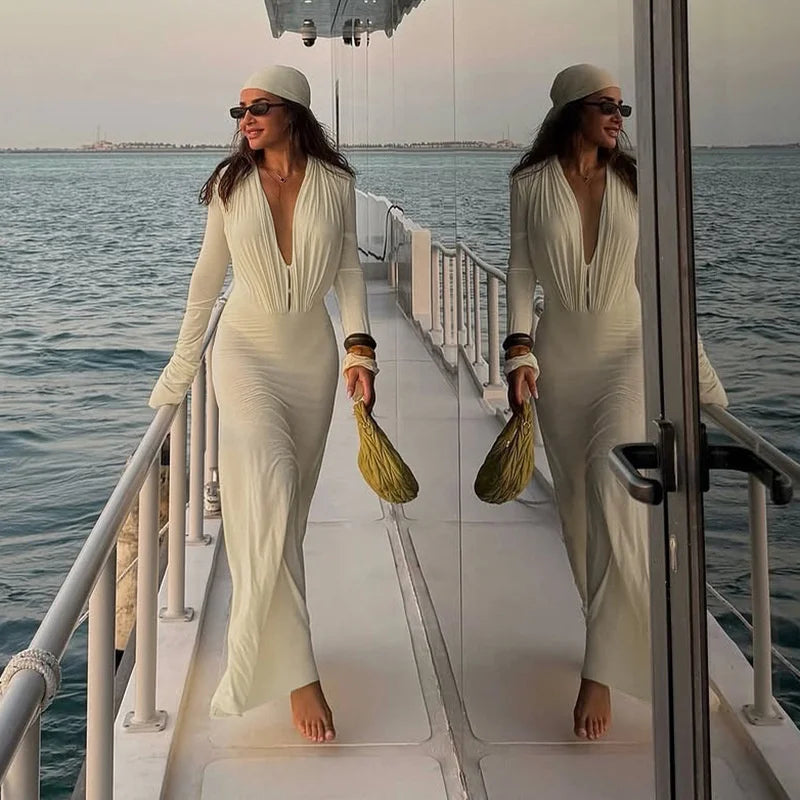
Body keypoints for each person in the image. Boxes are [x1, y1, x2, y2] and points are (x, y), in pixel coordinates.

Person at [148, 65, 378, 744]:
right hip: (244, 355)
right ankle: (299, 674)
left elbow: (346, 271)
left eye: (258, 108)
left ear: (294, 113)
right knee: (269, 491)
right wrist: (181, 368)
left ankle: (266, 654)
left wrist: (360, 352)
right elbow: (205, 283)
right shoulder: (231, 186)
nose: (244, 120)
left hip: (310, 362)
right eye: (239, 110)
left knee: (284, 517)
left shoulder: (336, 185)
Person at [503, 64, 728, 741]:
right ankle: (637, 647)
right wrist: (519, 352)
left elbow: (660, 284)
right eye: (605, 105)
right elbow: (518, 270)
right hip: (561, 366)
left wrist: (703, 380)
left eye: (621, 106)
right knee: (577, 515)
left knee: (613, 485)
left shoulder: (637, 183)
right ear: (573, 110)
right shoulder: (528, 186)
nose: (618, 116)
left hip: (630, 353)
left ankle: (607, 671)